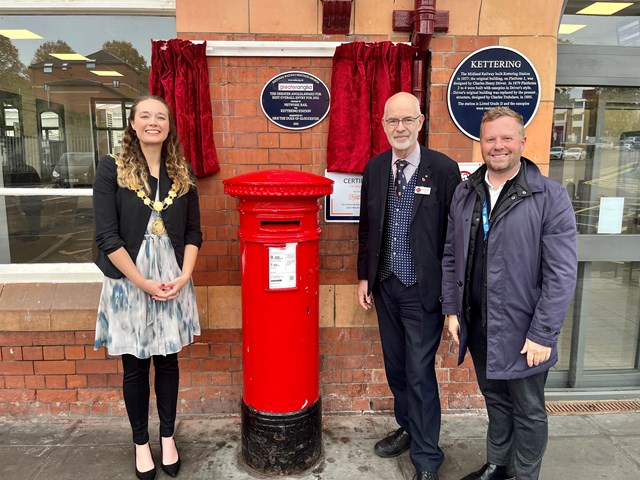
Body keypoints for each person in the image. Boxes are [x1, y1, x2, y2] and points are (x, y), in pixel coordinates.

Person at [441, 107, 577, 480]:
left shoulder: (549, 196)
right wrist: (452, 311)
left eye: (506, 138)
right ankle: (498, 464)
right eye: (490, 140)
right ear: (481, 144)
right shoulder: (465, 192)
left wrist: (543, 333)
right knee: (496, 400)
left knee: (529, 410)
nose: (498, 146)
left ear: (521, 142)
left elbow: (561, 273)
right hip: (479, 322)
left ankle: (524, 474)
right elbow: (452, 255)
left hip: (524, 330)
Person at [93, 95, 202, 480]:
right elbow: (107, 235)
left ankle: (168, 437)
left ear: (169, 126)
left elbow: (192, 232)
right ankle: (142, 443)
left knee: (168, 360)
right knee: (136, 365)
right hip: (129, 280)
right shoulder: (113, 169)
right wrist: (142, 283)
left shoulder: (181, 171)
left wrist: (184, 277)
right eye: (145, 116)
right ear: (133, 124)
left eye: (160, 117)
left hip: (172, 277)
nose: (153, 122)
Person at [357, 92, 461, 480]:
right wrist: (364, 276)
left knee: (419, 372)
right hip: (386, 286)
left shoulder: (444, 169)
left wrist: (451, 296)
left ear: (420, 123)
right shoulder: (376, 167)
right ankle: (408, 427)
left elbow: (455, 237)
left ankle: (428, 458)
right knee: (397, 368)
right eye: (391, 121)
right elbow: (367, 227)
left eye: (407, 120)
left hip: (423, 290)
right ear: (383, 126)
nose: (399, 128)